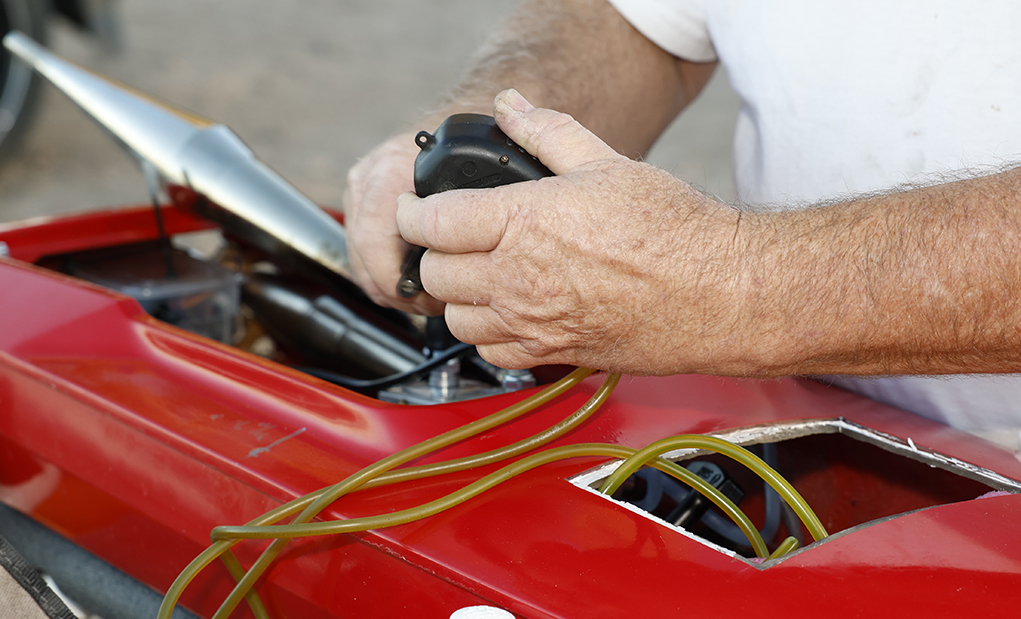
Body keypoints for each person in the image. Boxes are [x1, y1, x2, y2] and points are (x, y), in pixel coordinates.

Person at [343, 0, 1021, 450]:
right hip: (790, 414)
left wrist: (737, 287)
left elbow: (731, 291)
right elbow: (641, 22)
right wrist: (483, 149)